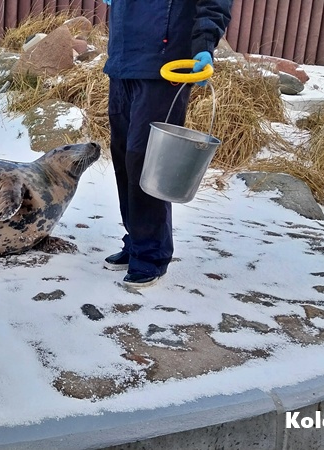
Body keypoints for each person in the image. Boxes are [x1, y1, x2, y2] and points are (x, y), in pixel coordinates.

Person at [102, 0, 233, 288]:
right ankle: (136, 241)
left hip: (164, 66)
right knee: (124, 158)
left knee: (147, 161)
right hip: (123, 64)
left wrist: (204, 44)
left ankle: (151, 254)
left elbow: (214, 3)